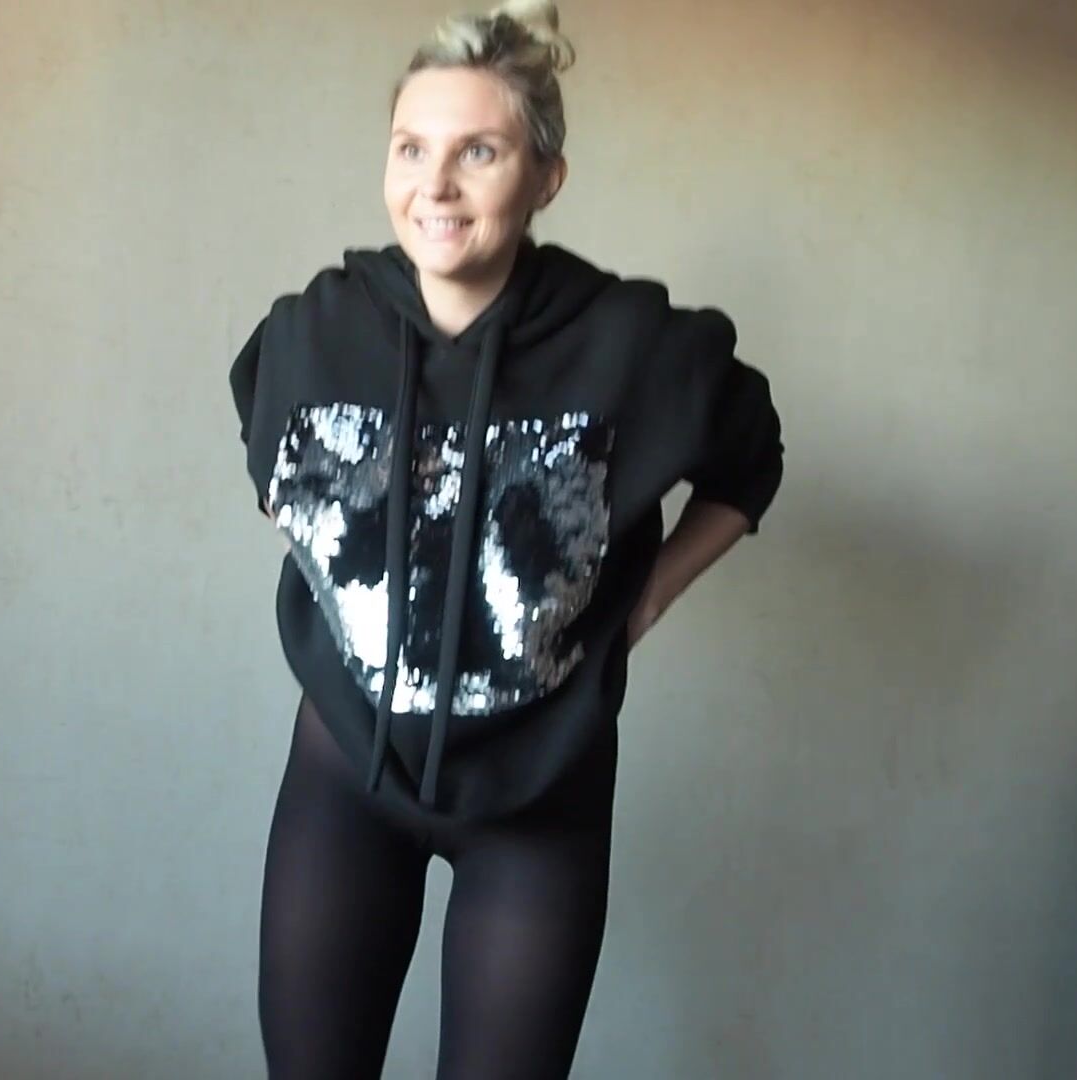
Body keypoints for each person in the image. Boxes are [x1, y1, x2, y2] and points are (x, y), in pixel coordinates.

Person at [228, 1, 785, 1075]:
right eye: (411, 148)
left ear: (546, 178)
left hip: (541, 794)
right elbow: (272, 461)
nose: (434, 185)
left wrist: (649, 594)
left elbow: (749, 459)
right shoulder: (315, 329)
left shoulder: (631, 343)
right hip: (346, 778)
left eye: (477, 151)